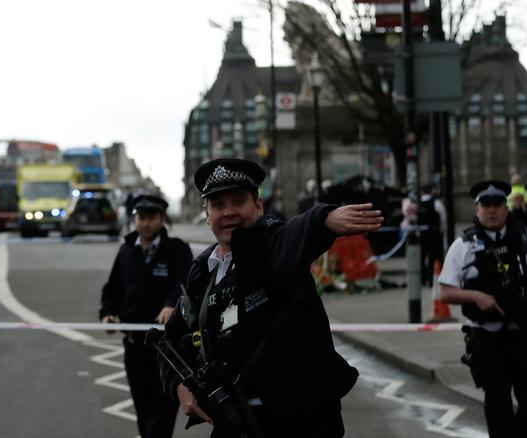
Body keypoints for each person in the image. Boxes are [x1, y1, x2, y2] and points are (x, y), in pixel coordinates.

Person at [164, 158, 381, 437]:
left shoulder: (271, 244)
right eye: (218, 204)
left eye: (238, 201)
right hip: (235, 420)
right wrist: (179, 387)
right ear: (207, 214)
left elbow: (293, 233)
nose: (228, 212)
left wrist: (325, 219)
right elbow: (170, 342)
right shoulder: (201, 271)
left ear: (258, 205)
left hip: (301, 421)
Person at [438, 180, 527, 438]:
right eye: (486, 205)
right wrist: (476, 296)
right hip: (487, 339)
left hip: (524, 335)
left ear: (506, 208)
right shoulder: (462, 246)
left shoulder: (525, 238)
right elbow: (446, 292)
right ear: (477, 210)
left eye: (497, 204)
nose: (492, 210)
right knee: (499, 411)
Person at [100, 193, 194, 438]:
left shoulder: (177, 250)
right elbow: (112, 288)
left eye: (152, 217)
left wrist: (171, 304)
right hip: (134, 345)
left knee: (162, 413)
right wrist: (107, 314)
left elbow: (185, 282)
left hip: (167, 348)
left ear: (162, 219)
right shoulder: (126, 251)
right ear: (135, 220)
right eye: (142, 217)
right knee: (143, 411)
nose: (146, 223)